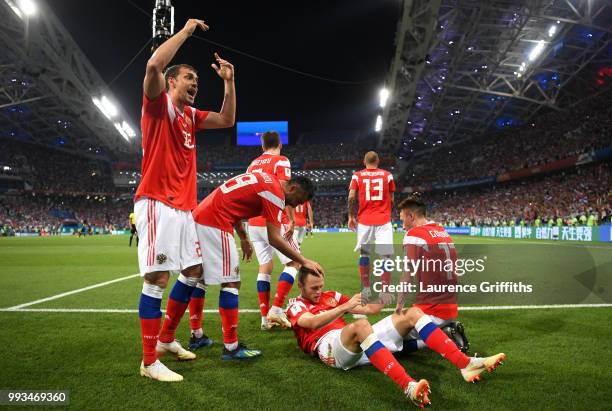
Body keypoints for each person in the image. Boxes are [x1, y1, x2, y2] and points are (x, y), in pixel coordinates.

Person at [136, 18, 236, 382]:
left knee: (194, 273)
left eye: (198, 79)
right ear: (171, 81)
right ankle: (149, 362)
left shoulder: (192, 117)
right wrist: (187, 31)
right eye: (189, 77)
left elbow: (227, 118)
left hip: (183, 207)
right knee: (158, 277)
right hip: (156, 201)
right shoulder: (157, 106)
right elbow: (152, 65)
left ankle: (165, 341)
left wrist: (229, 81)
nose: (195, 83)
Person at [287, 269, 506, 407]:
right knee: (361, 327)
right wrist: (345, 306)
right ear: (301, 287)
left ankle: (465, 364)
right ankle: (409, 387)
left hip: (355, 340)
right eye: (314, 288)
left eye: (321, 287)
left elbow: (370, 310)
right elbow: (312, 323)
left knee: (410, 314)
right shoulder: (296, 305)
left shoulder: (331, 296)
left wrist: (385, 298)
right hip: (329, 348)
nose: (318, 291)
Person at [192, 172, 324, 360]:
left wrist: (244, 237)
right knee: (231, 283)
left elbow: (234, 202)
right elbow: (275, 238)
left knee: (199, 278)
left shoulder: (265, 177)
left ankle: (196, 335)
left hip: (205, 214)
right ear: (293, 188)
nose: (295, 206)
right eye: (297, 200)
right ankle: (231, 347)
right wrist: (304, 261)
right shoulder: (276, 193)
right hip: (215, 221)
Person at [395, 196, 469, 353]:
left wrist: (398, 307)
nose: (402, 226)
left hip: (431, 313)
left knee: (387, 340)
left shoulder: (415, 234)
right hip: (450, 310)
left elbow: (407, 275)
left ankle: (443, 337)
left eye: (403, 220)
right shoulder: (442, 232)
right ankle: (444, 330)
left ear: (411, 216)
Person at [244, 132, 301, 330]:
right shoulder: (281, 161)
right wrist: (292, 220)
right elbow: (285, 191)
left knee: (265, 267)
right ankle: (276, 309)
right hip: (274, 220)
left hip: (254, 223)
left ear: (262, 146)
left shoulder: (252, 165)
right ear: (280, 144)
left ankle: (264, 319)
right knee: (295, 263)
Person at [347, 151, 396, 303]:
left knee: (364, 255)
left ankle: (366, 289)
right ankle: (385, 292)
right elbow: (392, 198)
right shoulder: (387, 175)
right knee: (385, 256)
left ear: (364, 161)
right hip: (383, 220)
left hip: (365, 222)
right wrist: (385, 210)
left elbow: (351, 197)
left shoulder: (357, 176)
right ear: (378, 161)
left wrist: (350, 216)